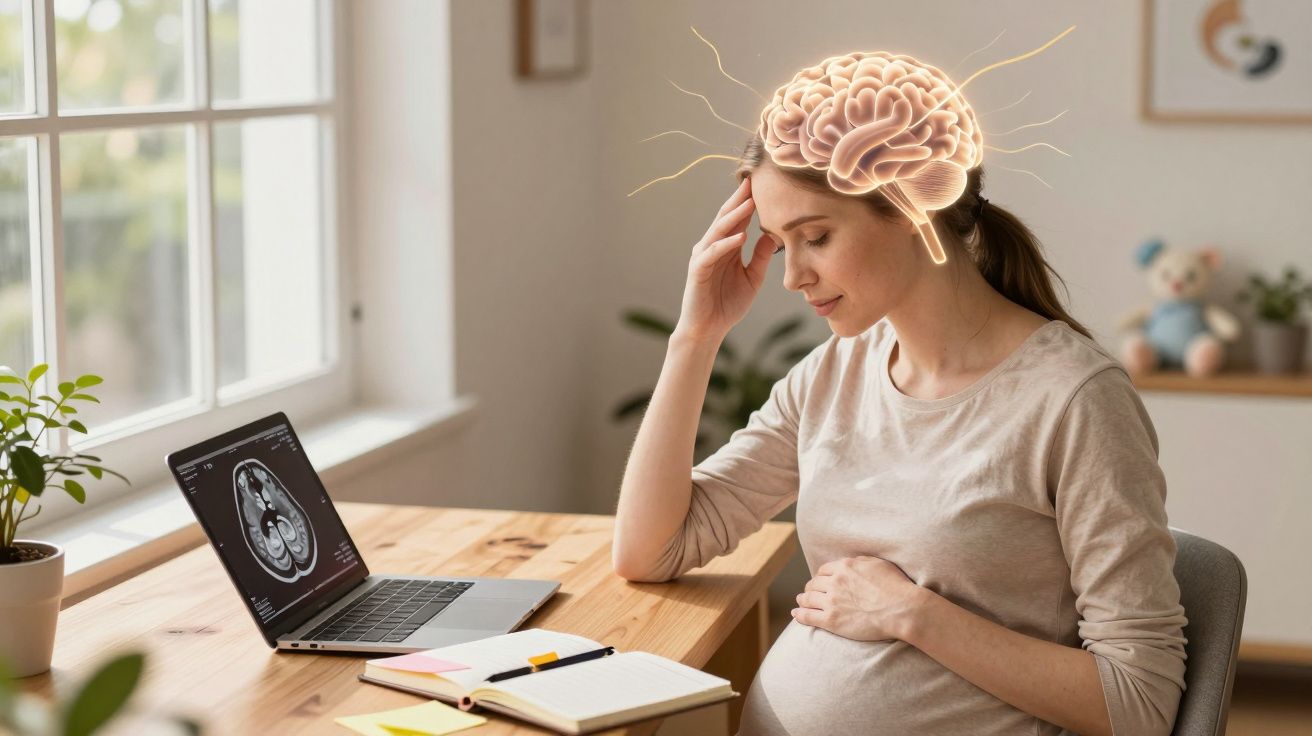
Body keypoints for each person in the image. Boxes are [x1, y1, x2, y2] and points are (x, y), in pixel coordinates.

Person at [612, 51, 1187, 736]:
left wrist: (909, 615)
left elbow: (1140, 704)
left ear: (915, 210)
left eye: (816, 236)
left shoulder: (1073, 401)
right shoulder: (832, 375)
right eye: (778, 243)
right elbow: (651, 551)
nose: (792, 276)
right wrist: (696, 335)